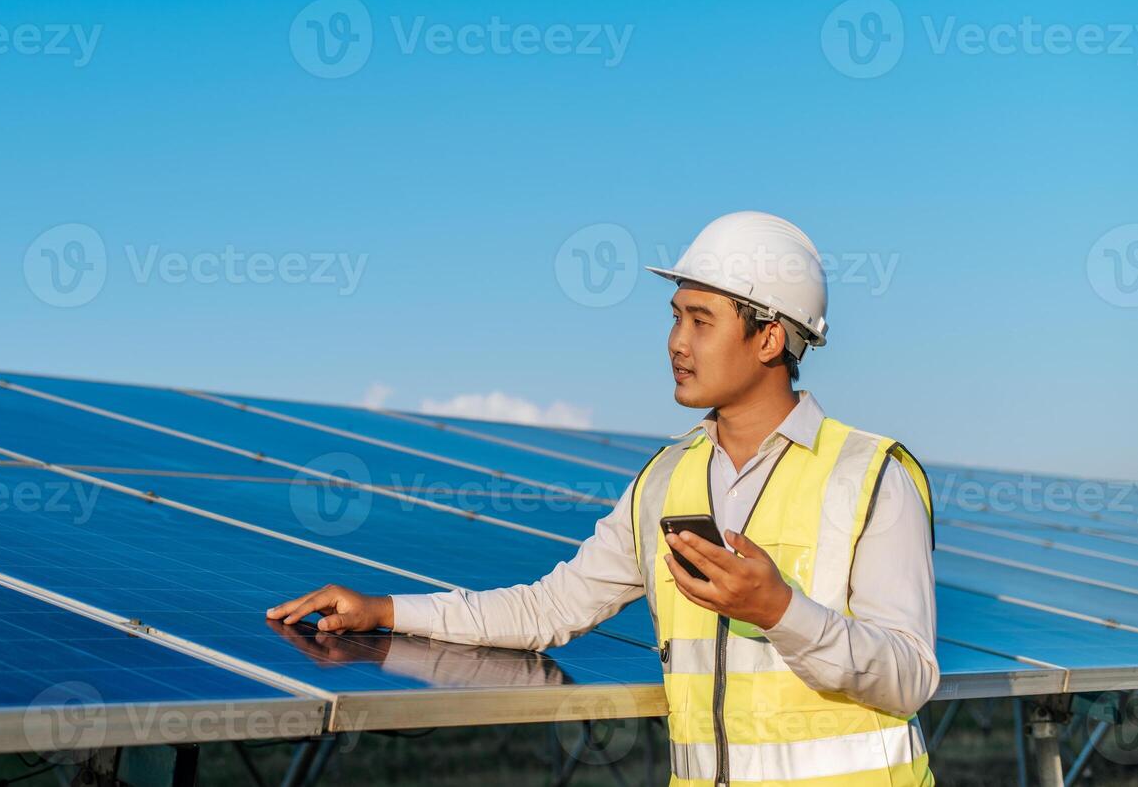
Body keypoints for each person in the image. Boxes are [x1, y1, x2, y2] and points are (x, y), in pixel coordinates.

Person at [266, 211, 939, 786]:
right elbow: (547, 609)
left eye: (701, 321)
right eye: (674, 318)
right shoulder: (662, 481)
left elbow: (908, 679)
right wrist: (383, 610)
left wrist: (777, 609)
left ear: (767, 336)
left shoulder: (870, 475)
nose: (676, 342)